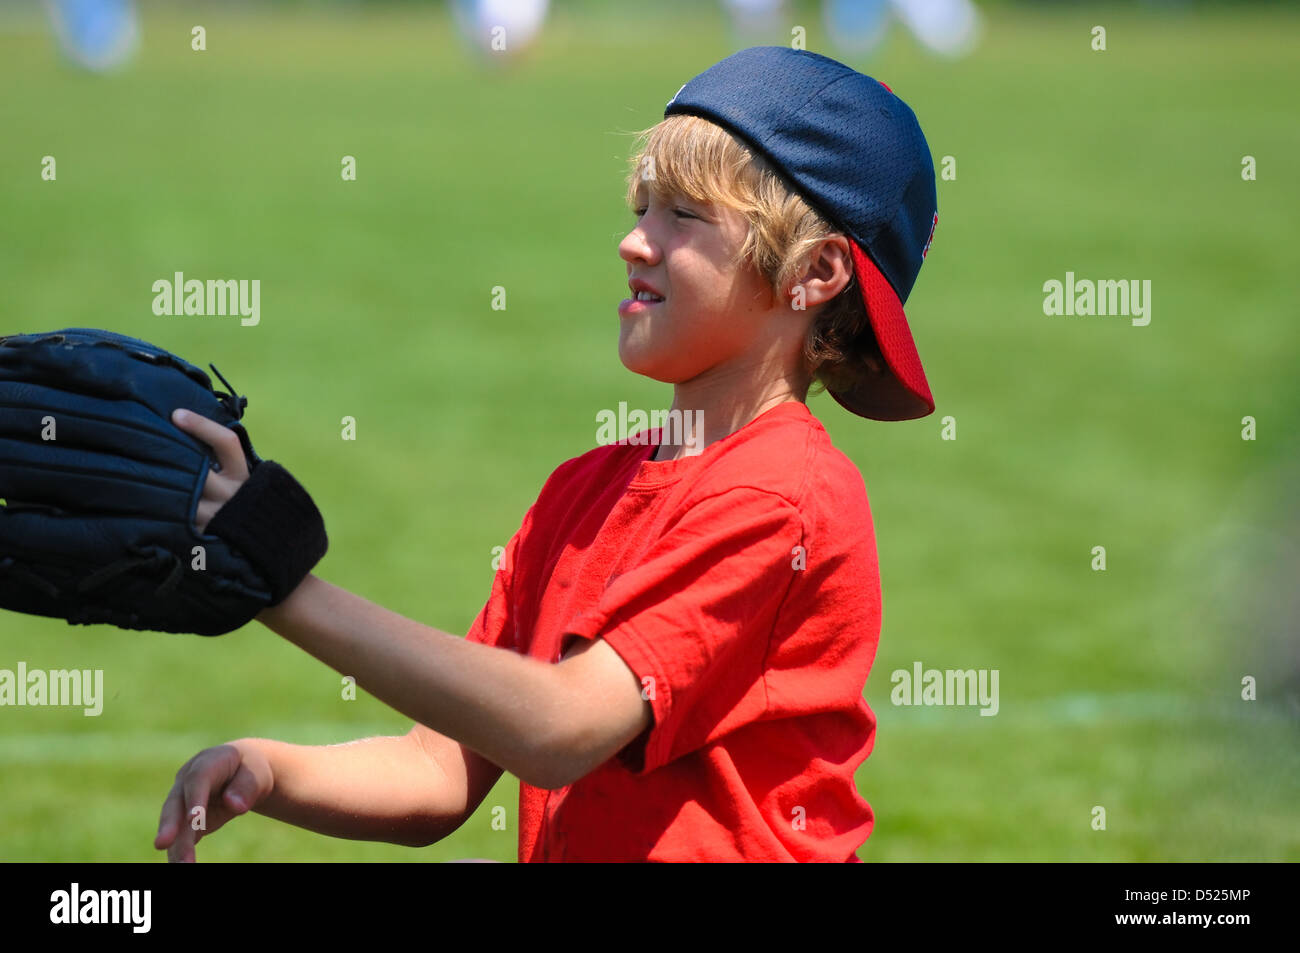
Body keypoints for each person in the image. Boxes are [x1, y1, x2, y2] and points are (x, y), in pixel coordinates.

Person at [155, 45, 939, 863]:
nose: (636, 242)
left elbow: (560, 728)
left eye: (685, 216)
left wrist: (278, 581)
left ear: (814, 272)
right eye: (643, 206)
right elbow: (436, 767)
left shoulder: (786, 494)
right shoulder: (581, 491)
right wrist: (267, 770)